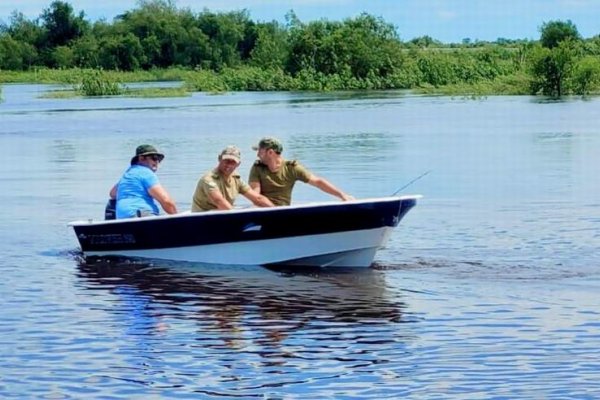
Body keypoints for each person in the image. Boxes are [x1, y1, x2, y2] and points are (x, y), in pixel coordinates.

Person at [248, 137, 354, 206]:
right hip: (264, 211)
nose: (257, 155)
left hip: (283, 211)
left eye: (260, 152)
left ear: (270, 152)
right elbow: (256, 196)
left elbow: (318, 182)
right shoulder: (257, 167)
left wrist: (343, 195)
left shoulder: (292, 167)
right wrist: (274, 210)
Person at [191, 145, 274, 212]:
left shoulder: (236, 179)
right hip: (202, 219)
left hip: (223, 217)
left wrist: (275, 211)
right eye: (226, 160)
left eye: (233, 162)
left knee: (255, 208)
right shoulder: (209, 179)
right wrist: (238, 219)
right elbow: (219, 201)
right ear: (219, 159)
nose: (229, 165)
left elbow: (258, 198)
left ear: (238, 164)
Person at [109, 144, 178, 219]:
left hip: (122, 218)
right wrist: (178, 220)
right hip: (141, 215)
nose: (157, 162)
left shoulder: (128, 174)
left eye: (159, 159)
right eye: (154, 158)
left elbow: (112, 193)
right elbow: (166, 201)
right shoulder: (146, 172)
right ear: (141, 158)